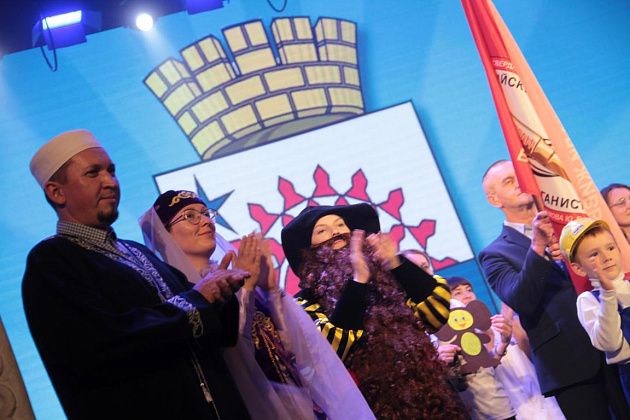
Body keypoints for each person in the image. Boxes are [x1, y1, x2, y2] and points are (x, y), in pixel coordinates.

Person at [22, 130, 251, 419]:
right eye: (93, 173)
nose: (110, 182)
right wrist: (198, 299)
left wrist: (221, 293)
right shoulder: (52, 262)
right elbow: (105, 342)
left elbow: (212, 335)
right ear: (56, 192)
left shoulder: (137, 252)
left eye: (111, 171)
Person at [140, 190, 374, 420]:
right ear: (163, 235)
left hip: (300, 403)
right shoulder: (180, 298)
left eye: (205, 213)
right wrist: (247, 289)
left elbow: (294, 348)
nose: (205, 221)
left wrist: (271, 292)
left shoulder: (236, 275)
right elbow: (233, 354)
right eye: (190, 216)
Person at [281, 203, 466, 418]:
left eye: (340, 225)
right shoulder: (306, 303)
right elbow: (330, 351)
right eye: (322, 231)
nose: (336, 232)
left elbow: (437, 313)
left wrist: (396, 263)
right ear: (307, 250)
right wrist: (358, 281)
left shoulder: (388, 277)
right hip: (371, 408)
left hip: (436, 396)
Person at [478, 159, 629, 419]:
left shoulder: (568, 225)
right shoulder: (494, 253)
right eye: (509, 181)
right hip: (569, 363)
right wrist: (537, 248)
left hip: (614, 342)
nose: (519, 183)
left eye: (520, 175)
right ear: (494, 199)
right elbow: (520, 300)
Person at [563, 217, 630, 404]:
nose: (606, 257)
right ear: (578, 268)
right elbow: (610, 343)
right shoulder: (588, 300)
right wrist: (608, 294)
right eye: (594, 254)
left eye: (610, 248)